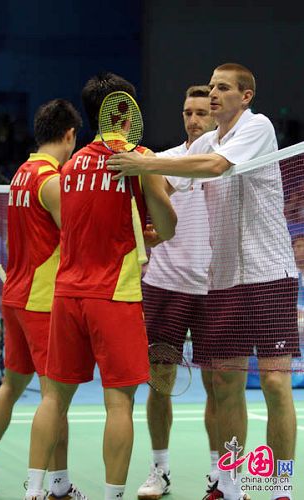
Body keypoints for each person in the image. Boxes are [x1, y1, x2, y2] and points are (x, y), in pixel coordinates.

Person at [107, 63, 300, 500]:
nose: (214, 94)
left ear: (245, 96)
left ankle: (279, 486)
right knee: (227, 384)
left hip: (270, 273)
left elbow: (213, 167)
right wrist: (139, 202)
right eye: (211, 86)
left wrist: (146, 161)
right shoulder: (206, 142)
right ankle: (229, 486)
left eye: (223, 88)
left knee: (274, 384)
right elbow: (165, 186)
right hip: (224, 279)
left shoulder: (257, 128)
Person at [24, 73, 177, 500]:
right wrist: (155, 219)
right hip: (115, 295)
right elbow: (166, 226)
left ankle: (34, 491)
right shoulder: (139, 158)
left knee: (53, 399)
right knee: (119, 404)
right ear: (125, 113)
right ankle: (112, 496)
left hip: (66, 293)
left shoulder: (67, 168)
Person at [0, 99, 87, 499]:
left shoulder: (21, 175)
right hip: (43, 302)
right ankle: (56, 487)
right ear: (69, 135)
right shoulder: (53, 181)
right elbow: (76, 241)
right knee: (54, 397)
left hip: (14, 295)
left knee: (10, 387)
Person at [136, 85, 217, 499]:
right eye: (188, 112)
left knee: (220, 386)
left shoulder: (227, 164)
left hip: (213, 288)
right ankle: (160, 469)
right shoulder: (161, 162)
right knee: (160, 382)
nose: (193, 119)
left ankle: (220, 477)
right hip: (165, 286)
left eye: (202, 112)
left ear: (217, 115)